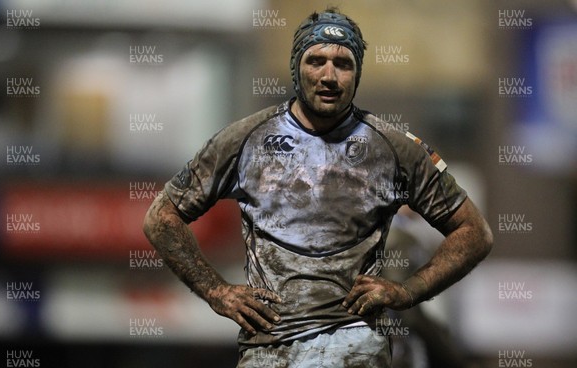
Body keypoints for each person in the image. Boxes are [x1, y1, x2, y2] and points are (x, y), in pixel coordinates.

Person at [143, 7, 493, 367]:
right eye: (316, 61)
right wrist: (217, 292)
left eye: (343, 64)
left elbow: (474, 232)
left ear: (357, 74)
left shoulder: (395, 149)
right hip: (269, 352)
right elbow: (161, 218)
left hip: (357, 352)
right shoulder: (245, 140)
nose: (329, 76)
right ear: (297, 67)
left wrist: (408, 291)